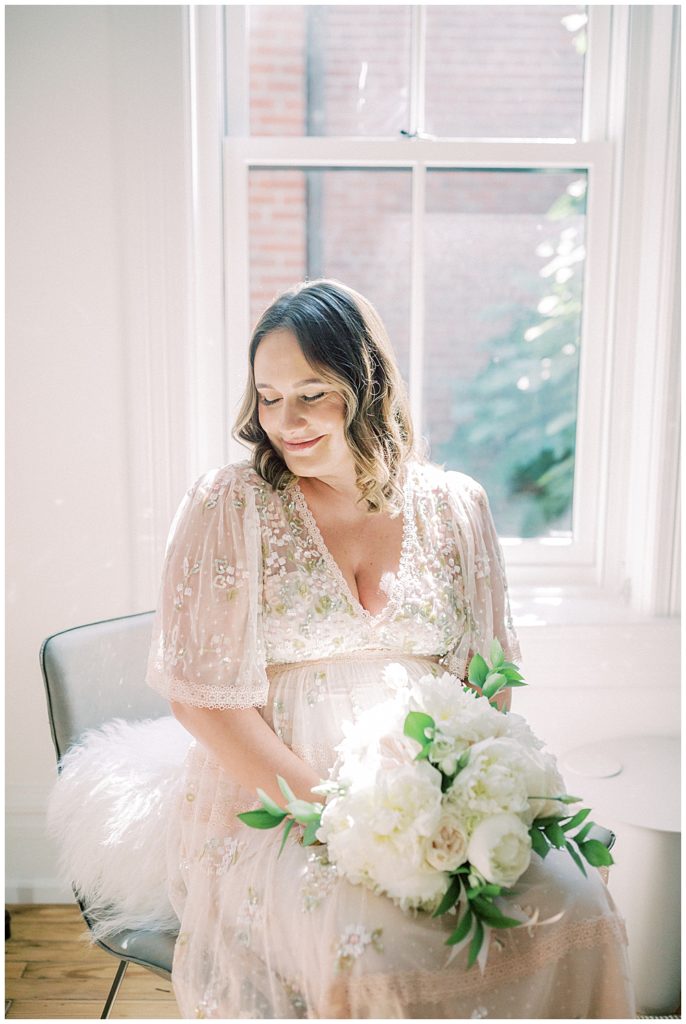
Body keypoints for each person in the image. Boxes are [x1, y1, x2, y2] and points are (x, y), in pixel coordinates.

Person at [146, 279, 635, 1018]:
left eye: (312, 392)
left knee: (578, 904)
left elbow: (486, 685)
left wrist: (459, 801)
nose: (287, 420)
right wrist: (333, 814)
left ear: (365, 384)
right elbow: (203, 703)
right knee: (374, 948)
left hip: (436, 793)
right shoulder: (231, 505)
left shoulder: (455, 505)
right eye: (270, 396)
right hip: (281, 802)